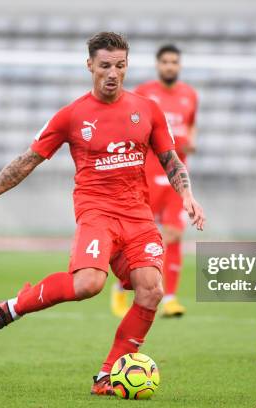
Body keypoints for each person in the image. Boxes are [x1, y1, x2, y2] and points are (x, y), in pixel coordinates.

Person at [0, 32, 205, 396]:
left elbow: (170, 158)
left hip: (138, 215)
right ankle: (12, 308)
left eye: (120, 65)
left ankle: (106, 376)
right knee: (88, 285)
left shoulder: (147, 109)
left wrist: (187, 195)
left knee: (151, 291)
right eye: (105, 66)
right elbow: (27, 161)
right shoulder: (72, 116)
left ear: (127, 65)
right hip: (96, 213)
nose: (113, 73)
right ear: (90, 66)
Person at [111, 44, 199, 318]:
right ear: (158, 64)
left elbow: (191, 126)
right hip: (147, 173)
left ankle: (170, 298)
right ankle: (121, 289)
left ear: (179, 65)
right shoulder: (144, 94)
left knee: (174, 234)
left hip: (175, 176)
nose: (170, 66)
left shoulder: (190, 95)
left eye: (174, 62)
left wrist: (189, 141)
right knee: (135, 236)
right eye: (165, 62)